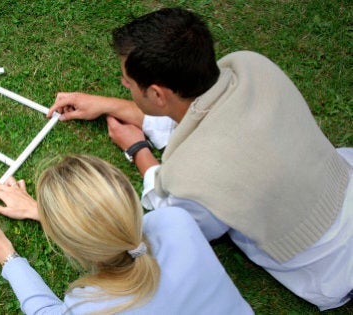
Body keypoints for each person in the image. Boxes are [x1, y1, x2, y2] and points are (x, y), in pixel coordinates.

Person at [47, 7, 353, 311]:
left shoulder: (193, 182)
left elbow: (171, 214)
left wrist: (138, 148)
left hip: (329, 265)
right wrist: (107, 105)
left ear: (156, 94)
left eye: (127, 83)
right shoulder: (252, 66)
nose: (124, 84)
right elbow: (201, 114)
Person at [0, 154, 253, 314]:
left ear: (72, 250)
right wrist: (47, 212)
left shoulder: (91, 307)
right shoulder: (177, 221)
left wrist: (3, 250)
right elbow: (113, 227)